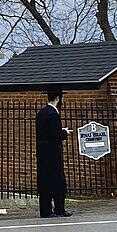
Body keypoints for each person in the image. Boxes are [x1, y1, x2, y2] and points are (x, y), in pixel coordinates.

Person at [36, 87, 72, 218]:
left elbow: (45, 133)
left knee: (45, 181)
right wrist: (64, 132)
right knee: (57, 181)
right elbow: (55, 135)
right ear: (58, 98)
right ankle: (59, 209)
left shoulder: (41, 113)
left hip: (42, 153)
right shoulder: (53, 114)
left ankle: (45, 210)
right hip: (53, 153)